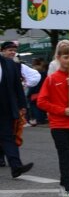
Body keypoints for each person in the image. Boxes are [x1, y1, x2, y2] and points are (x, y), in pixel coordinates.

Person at [36, 43, 69, 197]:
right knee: (64, 155)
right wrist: (61, 110)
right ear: (58, 58)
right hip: (58, 124)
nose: (68, 60)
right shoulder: (51, 79)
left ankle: (63, 184)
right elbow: (41, 102)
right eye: (65, 57)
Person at [0, 47, 34, 177]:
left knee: (8, 136)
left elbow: (17, 86)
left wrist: (22, 105)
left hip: (6, 107)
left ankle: (16, 167)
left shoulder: (9, 64)